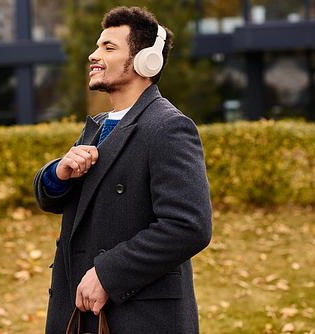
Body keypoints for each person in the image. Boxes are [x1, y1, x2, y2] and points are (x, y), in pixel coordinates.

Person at [34, 6, 212, 333]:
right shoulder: (100, 125)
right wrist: (58, 173)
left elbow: (189, 226)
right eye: (97, 45)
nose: (93, 55)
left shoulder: (169, 127)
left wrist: (108, 274)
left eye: (108, 47)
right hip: (78, 310)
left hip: (136, 316)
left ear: (147, 61)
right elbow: (51, 200)